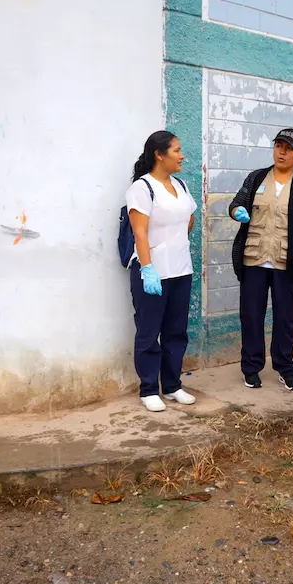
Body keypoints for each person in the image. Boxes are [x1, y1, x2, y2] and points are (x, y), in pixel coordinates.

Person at [229, 128, 293, 392]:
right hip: (253, 260)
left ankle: (285, 368)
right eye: (278, 145)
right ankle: (251, 367)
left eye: (289, 148)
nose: (282, 152)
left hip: (285, 263)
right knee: (251, 316)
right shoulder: (257, 178)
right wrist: (238, 211)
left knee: (285, 317)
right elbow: (235, 204)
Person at [127, 131, 198, 412]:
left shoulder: (179, 185)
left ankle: (172, 386)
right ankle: (148, 389)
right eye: (177, 150)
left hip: (181, 270)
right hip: (152, 271)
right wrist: (148, 268)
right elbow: (140, 233)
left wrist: (175, 245)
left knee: (176, 331)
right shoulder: (142, 188)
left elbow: (189, 219)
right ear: (159, 154)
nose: (182, 156)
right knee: (149, 330)